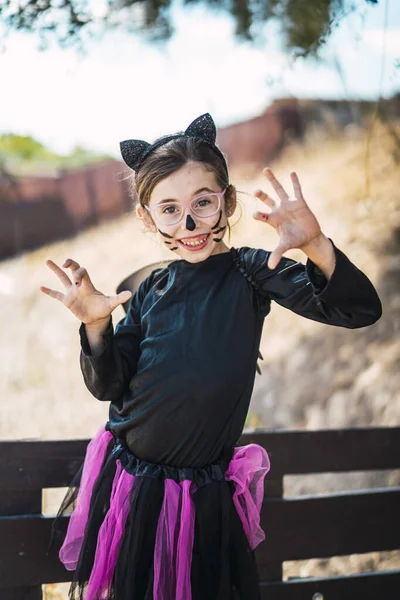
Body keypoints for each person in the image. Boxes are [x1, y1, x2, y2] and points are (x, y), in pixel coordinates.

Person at [41, 113, 382, 600]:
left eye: (203, 202)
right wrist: (97, 324)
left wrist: (316, 246)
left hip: (198, 498)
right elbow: (109, 386)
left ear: (229, 200)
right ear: (146, 218)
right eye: (170, 210)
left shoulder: (251, 272)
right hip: (130, 485)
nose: (189, 223)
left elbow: (358, 310)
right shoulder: (147, 288)